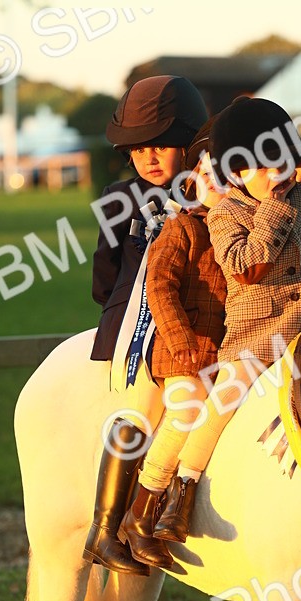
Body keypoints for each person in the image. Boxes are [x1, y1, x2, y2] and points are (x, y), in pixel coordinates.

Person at [130, 96, 301, 544]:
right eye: (266, 166)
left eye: (284, 162)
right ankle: (178, 491)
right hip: (256, 338)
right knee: (219, 405)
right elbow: (246, 264)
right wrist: (276, 206)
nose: (279, 174)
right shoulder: (226, 213)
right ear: (237, 174)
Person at [84, 74, 207, 575]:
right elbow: (104, 276)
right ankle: (106, 530)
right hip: (135, 326)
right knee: (139, 410)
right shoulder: (118, 199)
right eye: (138, 149)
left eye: (162, 146)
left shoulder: (210, 191)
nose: (149, 158)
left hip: (195, 322)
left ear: (192, 144)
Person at [116, 121, 228, 568]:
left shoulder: (234, 231)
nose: (214, 184)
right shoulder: (182, 229)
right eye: (206, 176)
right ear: (192, 182)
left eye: (225, 177)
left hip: (222, 355)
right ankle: (141, 513)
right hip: (179, 353)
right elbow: (158, 287)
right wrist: (180, 337)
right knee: (185, 411)